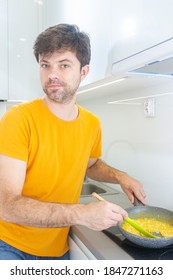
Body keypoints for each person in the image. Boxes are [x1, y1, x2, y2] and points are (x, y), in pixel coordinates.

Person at [0, 24, 146, 260]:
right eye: (45, 65)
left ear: (84, 71)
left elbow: (91, 165)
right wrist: (83, 213)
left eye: (64, 65)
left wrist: (120, 176)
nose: (52, 74)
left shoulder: (91, 123)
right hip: (11, 247)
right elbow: (7, 206)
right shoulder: (18, 119)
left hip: (59, 250)